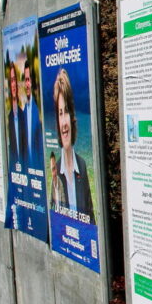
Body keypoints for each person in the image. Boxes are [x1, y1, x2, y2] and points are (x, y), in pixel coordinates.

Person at [53, 68, 94, 224]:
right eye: (60, 113)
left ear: (72, 117)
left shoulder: (82, 166)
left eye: (67, 112)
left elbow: (91, 219)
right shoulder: (55, 171)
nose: (64, 123)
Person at [22, 59, 43, 170]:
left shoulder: (39, 108)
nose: (27, 84)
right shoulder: (25, 110)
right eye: (25, 80)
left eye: (29, 80)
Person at [7, 61, 26, 169]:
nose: (13, 84)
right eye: (11, 81)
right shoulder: (9, 117)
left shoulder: (23, 115)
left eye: (14, 80)